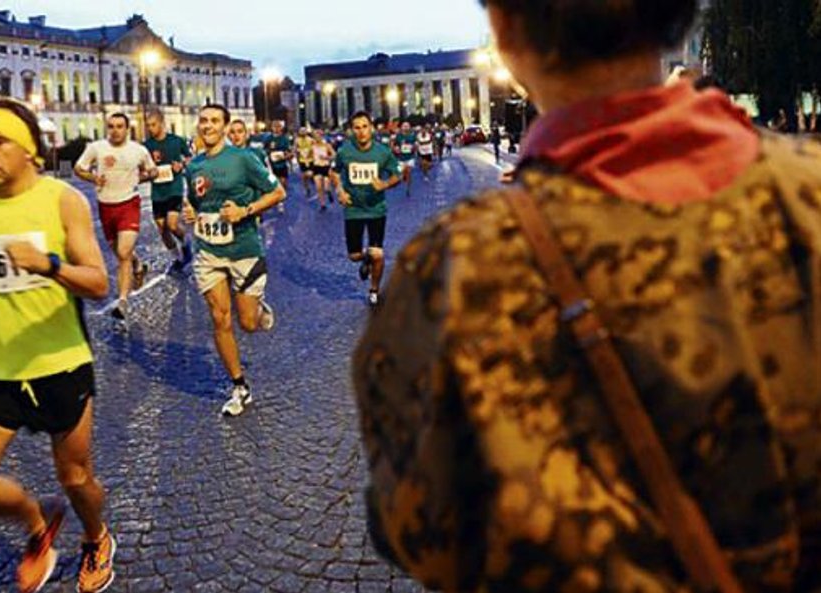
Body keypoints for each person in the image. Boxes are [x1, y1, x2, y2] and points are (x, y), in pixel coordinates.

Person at [353, 0, 821, 591]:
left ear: (503, 30)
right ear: (673, 23)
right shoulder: (811, 191)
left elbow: (421, 525)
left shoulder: (454, 272)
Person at [0, 98, 114, 593]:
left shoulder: (62, 200)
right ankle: (36, 521)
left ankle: (96, 537)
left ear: (27, 149)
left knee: (76, 479)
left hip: (58, 362)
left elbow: (98, 282)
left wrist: (48, 265)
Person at [183, 105, 286, 417]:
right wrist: (191, 212)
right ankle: (239, 386)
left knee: (248, 323)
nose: (207, 126)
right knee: (219, 318)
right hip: (208, 251)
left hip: (243, 249)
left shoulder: (244, 159)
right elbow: (197, 201)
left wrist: (245, 211)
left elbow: (277, 192)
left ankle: (258, 307)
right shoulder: (194, 165)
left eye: (215, 121)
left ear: (226, 127)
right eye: (203, 120)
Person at [74, 112, 156, 322]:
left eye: (120, 126)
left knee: (123, 251)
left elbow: (152, 170)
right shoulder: (96, 148)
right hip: (106, 206)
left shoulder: (138, 150)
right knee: (120, 253)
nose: (115, 130)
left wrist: (147, 175)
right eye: (111, 126)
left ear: (127, 129)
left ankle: (122, 302)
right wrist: (94, 178)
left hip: (129, 203)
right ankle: (137, 265)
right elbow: (78, 168)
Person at [331, 111, 401, 307]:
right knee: (354, 256)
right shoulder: (345, 151)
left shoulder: (382, 152)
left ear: (371, 128)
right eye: (357, 128)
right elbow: (334, 172)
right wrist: (339, 190)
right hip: (353, 209)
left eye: (364, 127)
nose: (361, 132)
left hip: (376, 209)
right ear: (352, 130)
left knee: (378, 253)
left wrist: (385, 185)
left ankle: (374, 290)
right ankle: (365, 258)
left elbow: (397, 174)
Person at [144, 109, 192, 274]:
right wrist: (148, 173)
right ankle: (177, 259)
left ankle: (186, 245)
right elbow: (142, 169)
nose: (150, 128)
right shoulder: (147, 146)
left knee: (172, 225)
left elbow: (189, 158)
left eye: (153, 125)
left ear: (162, 123)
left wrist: (182, 165)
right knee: (162, 228)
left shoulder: (177, 141)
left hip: (174, 189)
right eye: (148, 125)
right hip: (157, 191)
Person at [310, 129, 336, 209]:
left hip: (325, 167)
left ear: (322, 136)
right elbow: (308, 156)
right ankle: (322, 204)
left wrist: (327, 157)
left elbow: (334, 155)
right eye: (315, 136)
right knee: (319, 187)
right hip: (316, 167)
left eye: (319, 136)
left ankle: (329, 191)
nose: (317, 138)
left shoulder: (327, 145)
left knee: (326, 187)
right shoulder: (312, 146)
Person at [264, 119, 292, 191]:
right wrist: (270, 154)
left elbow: (289, 152)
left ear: (281, 127)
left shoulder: (285, 139)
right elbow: (263, 150)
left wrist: (284, 156)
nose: (276, 128)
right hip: (271, 167)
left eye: (278, 126)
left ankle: (281, 199)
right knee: (273, 185)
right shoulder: (268, 138)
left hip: (282, 165)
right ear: (272, 127)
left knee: (283, 184)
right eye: (274, 126)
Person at [394, 122, 418, 197]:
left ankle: (408, 188)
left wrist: (414, 147)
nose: (406, 127)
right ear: (401, 127)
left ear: (410, 127)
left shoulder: (413, 136)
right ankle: (405, 177)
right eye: (404, 126)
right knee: (402, 173)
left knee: (408, 171)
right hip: (401, 158)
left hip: (410, 157)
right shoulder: (398, 136)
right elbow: (395, 145)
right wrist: (396, 149)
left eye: (407, 126)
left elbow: (416, 145)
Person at [295, 127, 315, 197]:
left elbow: (314, 149)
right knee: (304, 176)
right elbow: (295, 149)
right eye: (301, 131)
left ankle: (312, 179)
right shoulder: (297, 140)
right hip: (302, 160)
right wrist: (297, 158)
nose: (303, 132)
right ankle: (307, 188)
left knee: (311, 174)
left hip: (310, 160)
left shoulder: (310, 140)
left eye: (304, 131)